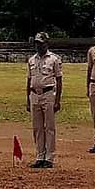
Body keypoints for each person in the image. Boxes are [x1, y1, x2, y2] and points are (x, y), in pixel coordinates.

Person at [26, 32, 62, 168]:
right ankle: (40, 155)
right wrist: (27, 100)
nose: (38, 46)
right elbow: (28, 80)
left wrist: (58, 100)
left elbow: (59, 80)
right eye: (36, 43)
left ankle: (49, 157)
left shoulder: (54, 59)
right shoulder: (31, 60)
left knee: (49, 128)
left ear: (46, 43)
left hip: (48, 94)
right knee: (37, 128)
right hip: (34, 94)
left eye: (40, 43)